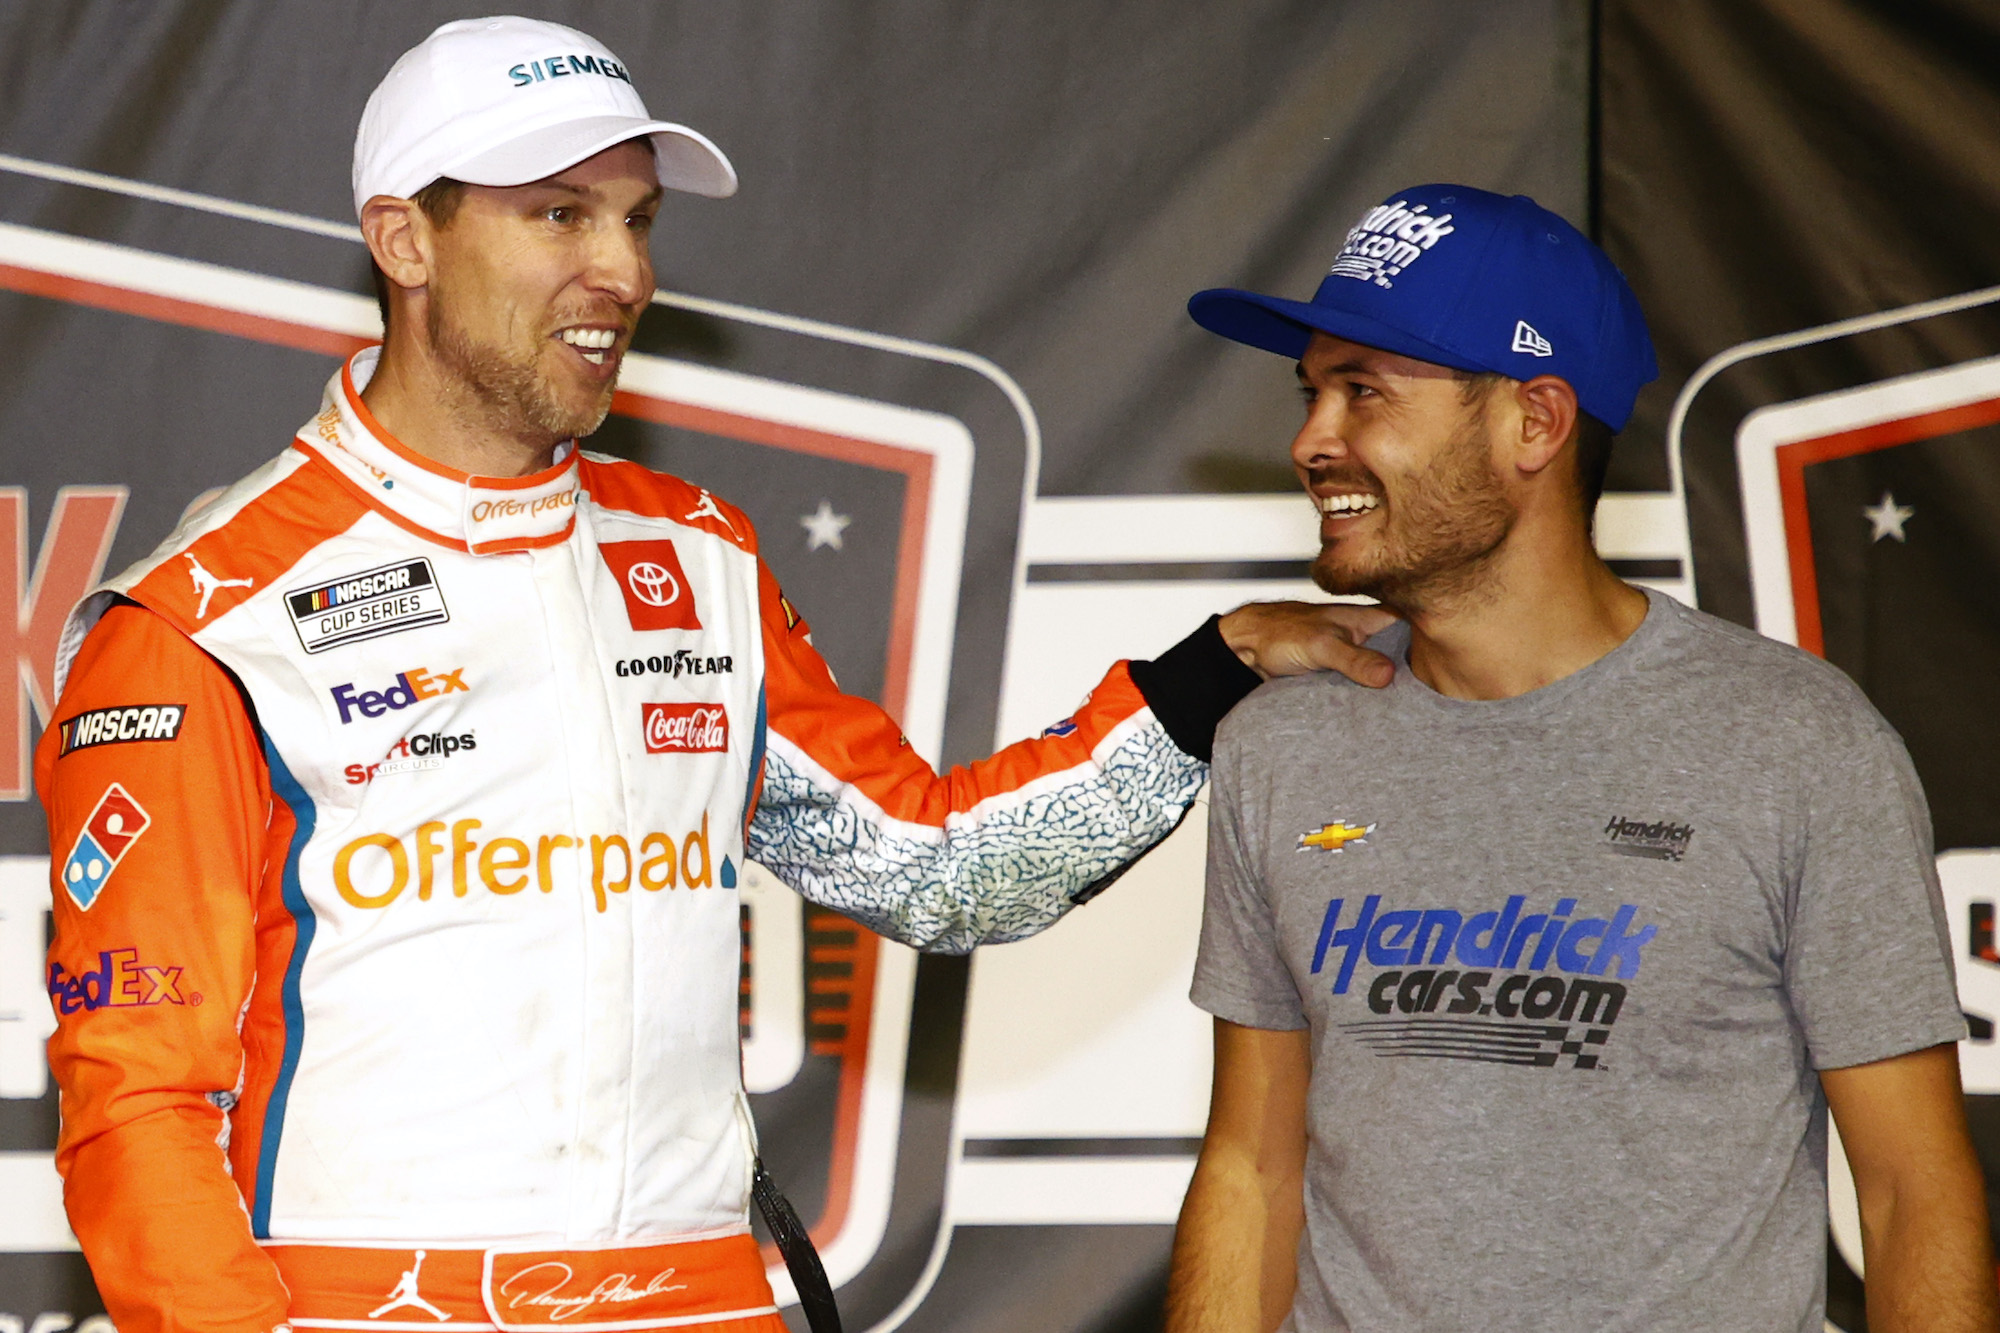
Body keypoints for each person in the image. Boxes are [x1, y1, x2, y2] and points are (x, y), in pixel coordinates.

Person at [37, 17, 1397, 1333]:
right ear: (404, 240)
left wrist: (1201, 681)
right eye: (560, 214)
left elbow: (936, 867)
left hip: (697, 1300)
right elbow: (138, 1105)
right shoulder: (207, 616)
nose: (622, 273)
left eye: (638, 220)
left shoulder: (696, 561)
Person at [1165, 184, 1998, 1333]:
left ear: (1534, 422)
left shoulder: (1794, 742)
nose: (1311, 438)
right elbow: (1250, 1170)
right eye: (1310, 393)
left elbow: (1911, 1193)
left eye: (1362, 390)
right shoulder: (1280, 743)